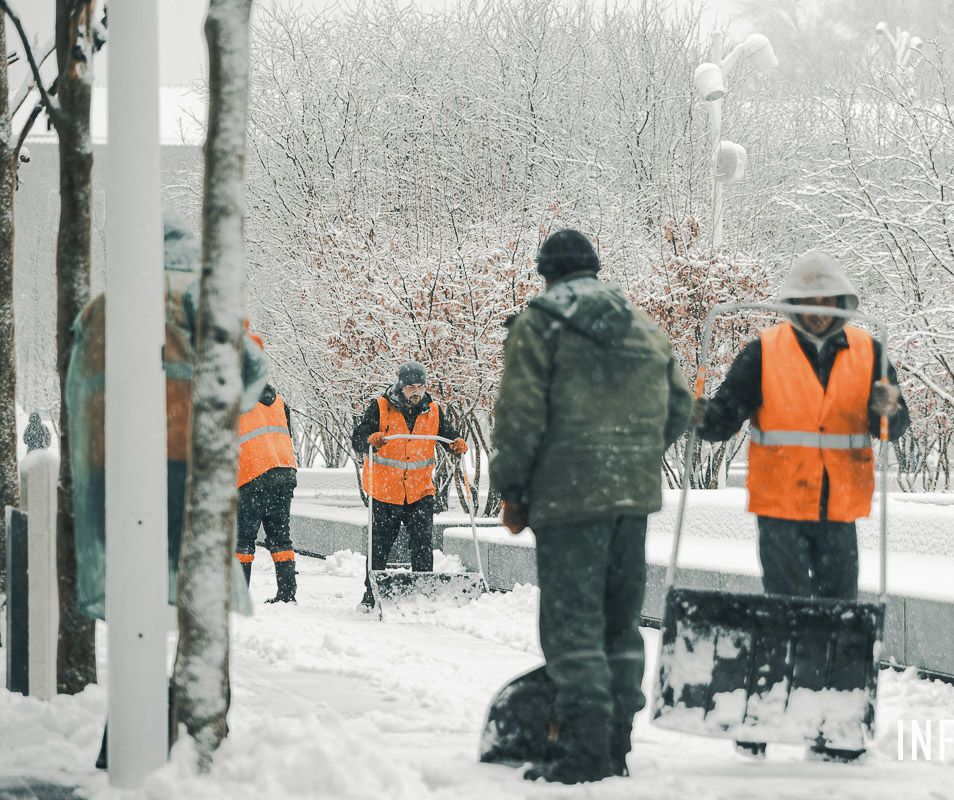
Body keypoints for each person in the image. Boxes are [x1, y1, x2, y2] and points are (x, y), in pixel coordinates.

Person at [490, 229, 692, 784]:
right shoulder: (643, 325)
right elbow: (680, 406)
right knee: (620, 622)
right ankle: (617, 742)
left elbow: (519, 413)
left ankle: (582, 747)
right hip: (631, 496)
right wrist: (631, 455)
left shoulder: (540, 323)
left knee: (573, 620)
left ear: (546, 272)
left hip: (568, 496)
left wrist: (513, 487)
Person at [695, 249, 909, 762]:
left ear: (841, 302)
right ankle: (763, 718)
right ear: (792, 304)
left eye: (826, 300)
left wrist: (889, 412)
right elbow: (724, 417)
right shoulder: (763, 353)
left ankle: (833, 726)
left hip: (840, 506)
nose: (817, 310)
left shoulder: (869, 352)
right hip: (781, 506)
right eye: (808, 301)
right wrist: (702, 415)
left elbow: (891, 426)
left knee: (839, 613)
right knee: (785, 609)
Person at [66, 214, 263, 767]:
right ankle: (196, 727)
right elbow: (251, 376)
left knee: (138, 607)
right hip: (185, 469)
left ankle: (129, 735)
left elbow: (77, 384)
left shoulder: (103, 307)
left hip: (113, 473)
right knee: (201, 604)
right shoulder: (201, 302)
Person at [351, 360, 468, 612]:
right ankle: (371, 595)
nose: (417, 392)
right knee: (380, 546)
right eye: (411, 387)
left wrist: (456, 443)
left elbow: (447, 434)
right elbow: (358, 438)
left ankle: (423, 593)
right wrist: (370, 439)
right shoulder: (380, 407)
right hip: (385, 491)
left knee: (423, 544)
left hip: (420, 490)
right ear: (400, 386)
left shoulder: (433, 410)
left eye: (421, 387)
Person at [236, 376, 300, 603]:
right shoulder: (278, 400)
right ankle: (287, 593)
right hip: (283, 472)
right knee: (280, 537)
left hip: (252, 474)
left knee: (243, 539)